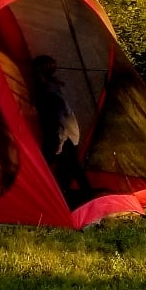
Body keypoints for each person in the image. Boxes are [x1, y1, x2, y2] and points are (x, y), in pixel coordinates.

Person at [33, 55, 94, 205]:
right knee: (70, 166)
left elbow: (59, 116)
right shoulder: (51, 87)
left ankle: (46, 197)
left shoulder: (49, 91)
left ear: (39, 71)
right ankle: (83, 195)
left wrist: (59, 141)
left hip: (62, 134)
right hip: (67, 133)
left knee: (46, 165)